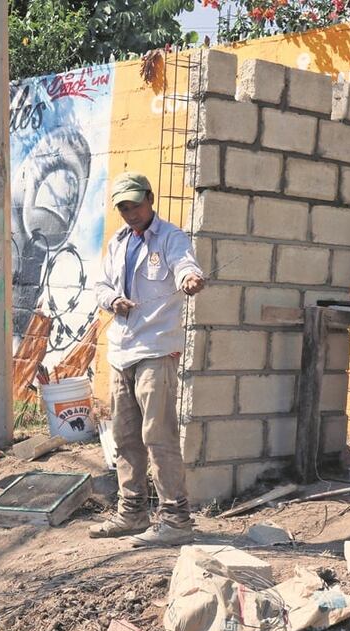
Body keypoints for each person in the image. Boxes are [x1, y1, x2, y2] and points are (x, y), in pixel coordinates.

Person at [91, 172, 206, 547]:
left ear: (150, 199)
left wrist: (190, 279)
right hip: (122, 349)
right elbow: (102, 285)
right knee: (125, 436)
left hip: (157, 347)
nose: (130, 213)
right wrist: (113, 301)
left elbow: (185, 265)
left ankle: (176, 518)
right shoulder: (117, 243)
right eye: (123, 207)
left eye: (135, 205)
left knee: (157, 433)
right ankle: (133, 512)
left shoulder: (170, 237)